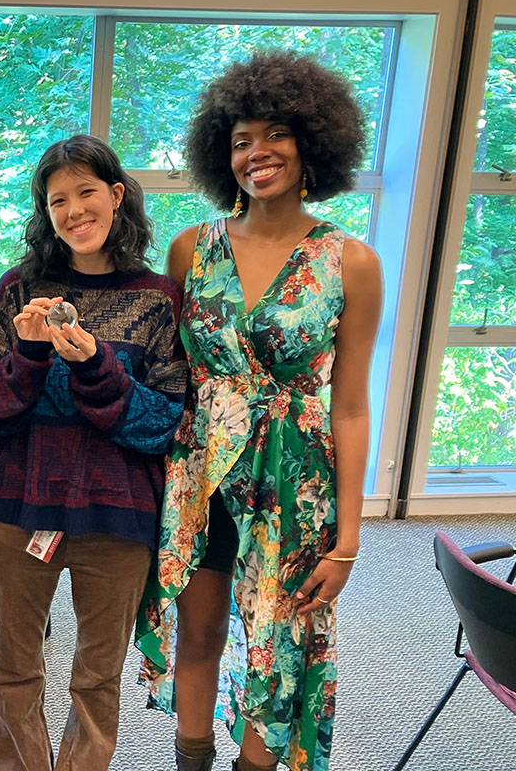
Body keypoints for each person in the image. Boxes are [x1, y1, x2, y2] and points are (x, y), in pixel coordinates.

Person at [136, 52, 385, 771]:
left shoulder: (350, 262)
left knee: (279, 638)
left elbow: (352, 406)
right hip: (201, 471)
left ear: (314, 142)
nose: (257, 153)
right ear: (222, 152)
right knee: (202, 626)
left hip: (294, 476)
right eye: (241, 139)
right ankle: (192, 758)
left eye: (275, 134)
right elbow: (168, 375)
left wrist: (349, 537)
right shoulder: (192, 249)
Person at [0, 134, 187, 771]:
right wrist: (31, 353)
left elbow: (163, 423)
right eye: (57, 199)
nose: (74, 210)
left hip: (117, 512)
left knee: (97, 678)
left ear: (116, 196)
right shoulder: (17, 289)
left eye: (86, 192)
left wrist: (96, 366)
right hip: (21, 505)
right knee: (15, 670)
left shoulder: (158, 299)